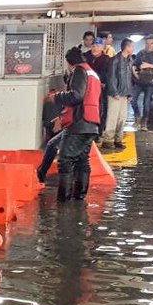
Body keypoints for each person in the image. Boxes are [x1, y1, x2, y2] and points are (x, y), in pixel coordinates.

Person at [45, 47, 102, 202]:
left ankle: (64, 200)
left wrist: (56, 97)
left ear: (70, 62)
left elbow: (76, 96)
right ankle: (79, 198)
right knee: (82, 160)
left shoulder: (79, 71)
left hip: (79, 123)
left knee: (65, 160)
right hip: (91, 123)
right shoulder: (93, 73)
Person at [101, 38, 135, 149]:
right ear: (127, 47)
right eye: (132, 46)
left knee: (122, 118)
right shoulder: (114, 60)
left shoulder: (129, 60)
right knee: (112, 117)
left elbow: (129, 79)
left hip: (124, 94)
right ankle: (108, 140)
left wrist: (129, 93)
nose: (133, 48)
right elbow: (111, 77)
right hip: (114, 94)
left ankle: (118, 139)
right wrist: (114, 91)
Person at [131, 35, 153, 131]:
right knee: (133, 100)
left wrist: (148, 65)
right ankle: (137, 116)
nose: (148, 45)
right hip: (139, 80)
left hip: (151, 82)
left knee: (146, 102)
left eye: (151, 43)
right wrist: (135, 73)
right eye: (147, 43)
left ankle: (144, 121)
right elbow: (134, 65)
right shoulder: (141, 53)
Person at [86, 36, 113, 142]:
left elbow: (107, 75)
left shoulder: (107, 59)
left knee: (100, 110)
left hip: (100, 89)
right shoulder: (85, 57)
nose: (95, 48)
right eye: (93, 45)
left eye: (98, 46)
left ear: (102, 47)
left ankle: (98, 132)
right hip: (86, 88)